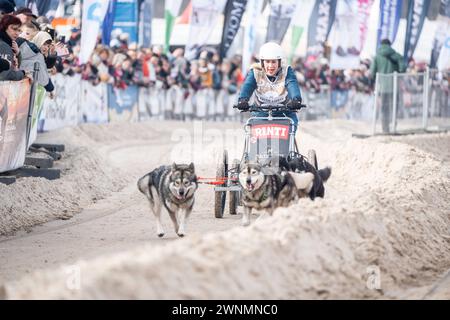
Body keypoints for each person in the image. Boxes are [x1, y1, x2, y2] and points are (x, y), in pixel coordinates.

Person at [236, 42, 303, 131]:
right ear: (262, 62)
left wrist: (296, 99)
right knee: (254, 139)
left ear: (279, 62)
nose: (270, 66)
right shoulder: (255, 72)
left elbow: (292, 84)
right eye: (267, 61)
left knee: (289, 134)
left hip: (284, 114)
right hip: (260, 114)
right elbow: (248, 86)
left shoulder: (287, 71)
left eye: (273, 62)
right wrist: (243, 99)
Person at [370, 38, 406, 133]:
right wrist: (399, 71)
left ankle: (385, 128)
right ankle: (393, 126)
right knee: (394, 107)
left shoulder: (377, 57)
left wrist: (374, 80)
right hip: (394, 86)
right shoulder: (396, 55)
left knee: (384, 108)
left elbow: (372, 72)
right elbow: (403, 68)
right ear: (390, 45)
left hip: (382, 87)